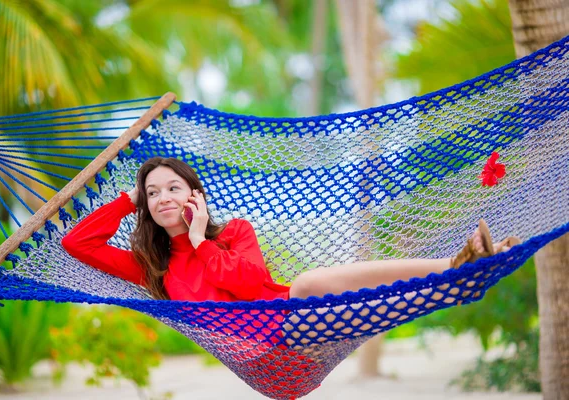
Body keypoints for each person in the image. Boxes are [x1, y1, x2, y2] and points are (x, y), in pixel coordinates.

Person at [61, 157, 521, 302]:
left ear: (194, 196)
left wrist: (200, 240)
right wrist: (127, 199)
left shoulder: (235, 232)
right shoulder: (150, 269)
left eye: (172, 188)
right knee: (309, 282)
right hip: (264, 360)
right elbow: (76, 243)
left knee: (310, 284)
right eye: (153, 193)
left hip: (293, 322)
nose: (162, 198)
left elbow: (248, 283)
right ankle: (461, 269)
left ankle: (460, 266)